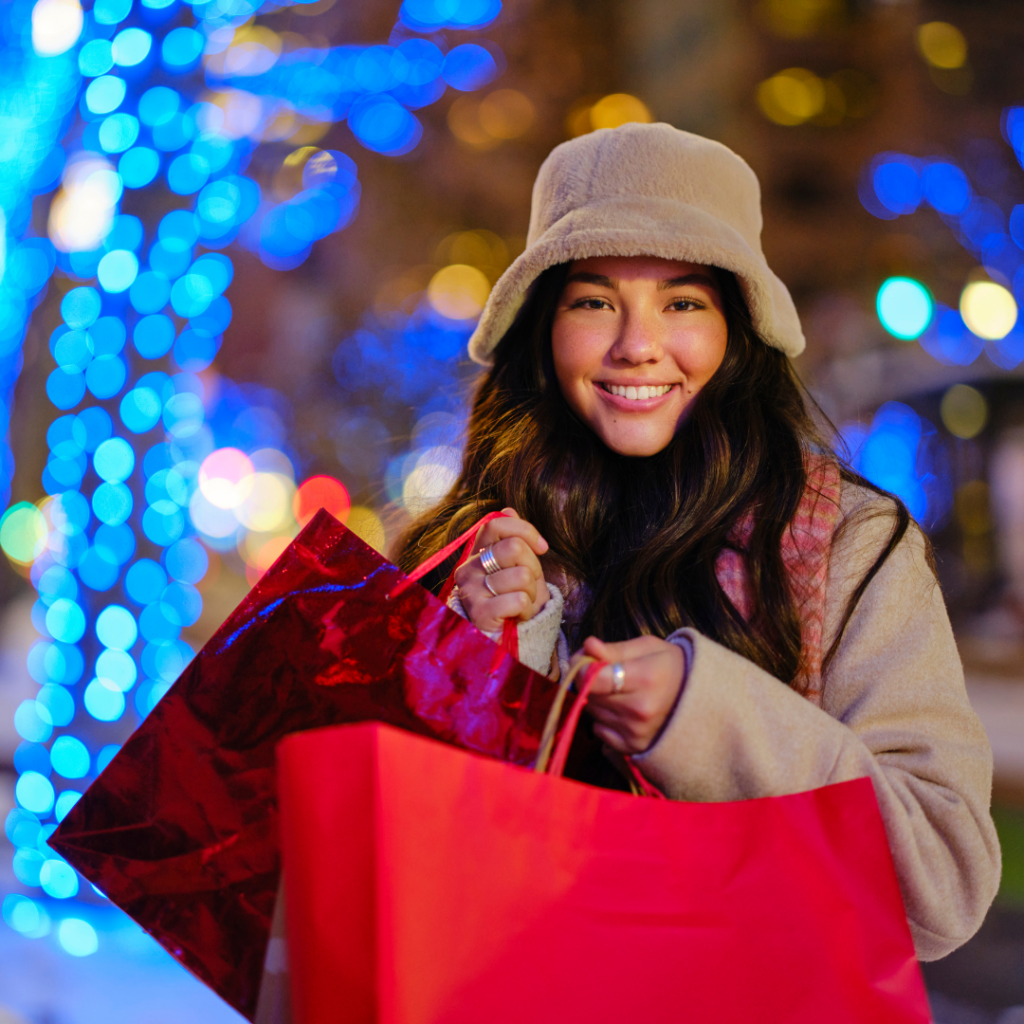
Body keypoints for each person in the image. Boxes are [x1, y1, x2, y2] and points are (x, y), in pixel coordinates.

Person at [394, 122, 1000, 961]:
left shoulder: (849, 545)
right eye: (595, 301)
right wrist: (495, 656)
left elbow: (944, 885)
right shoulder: (465, 553)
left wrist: (706, 716)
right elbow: (409, 874)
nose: (637, 344)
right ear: (544, 324)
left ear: (737, 328)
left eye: (682, 302)